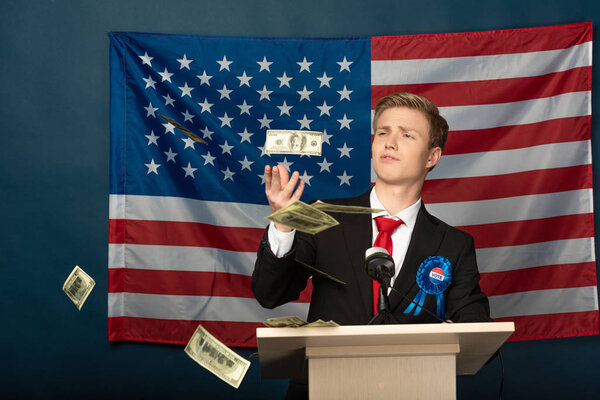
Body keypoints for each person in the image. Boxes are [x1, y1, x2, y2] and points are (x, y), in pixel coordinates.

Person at [252, 92, 491, 399]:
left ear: (432, 156)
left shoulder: (454, 245)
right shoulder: (322, 215)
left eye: (406, 135)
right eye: (383, 132)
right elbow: (269, 294)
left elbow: (476, 326)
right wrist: (284, 225)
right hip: (323, 389)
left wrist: (451, 333)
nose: (390, 142)